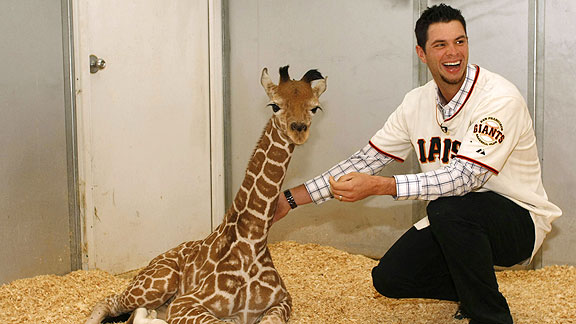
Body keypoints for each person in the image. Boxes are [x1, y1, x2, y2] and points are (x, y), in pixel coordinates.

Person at [273, 3, 562, 324]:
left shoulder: (498, 98)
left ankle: (490, 316)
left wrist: (384, 187)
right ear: (422, 53)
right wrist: (290, 199)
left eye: (460, 41)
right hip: (456, 220)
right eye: (440, 45)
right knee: (390, 277)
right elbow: (367, 160)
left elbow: (466, 177)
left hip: (518, 221)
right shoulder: (416, 103)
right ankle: (476, 291)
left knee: (446, 207)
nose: (453, 52)